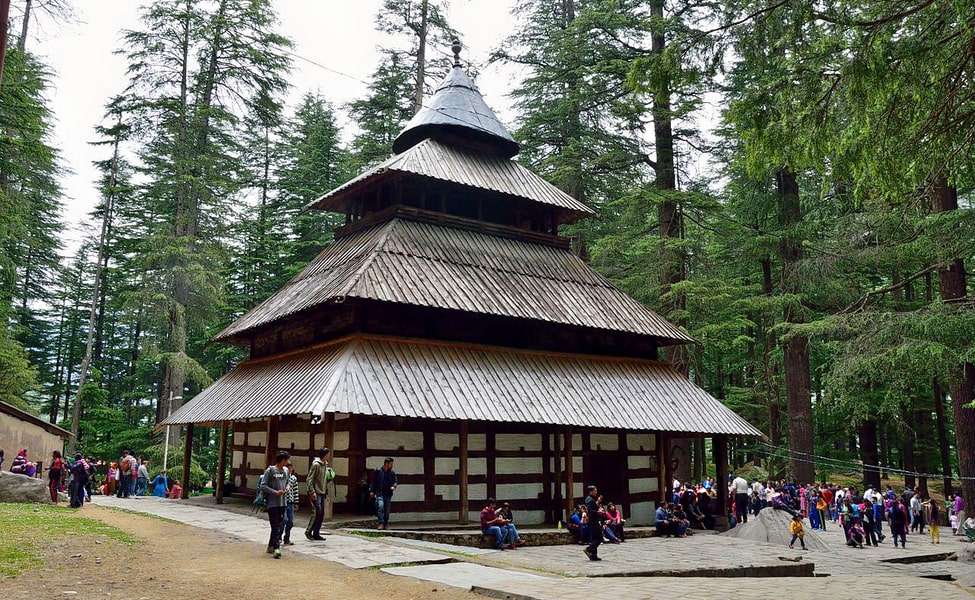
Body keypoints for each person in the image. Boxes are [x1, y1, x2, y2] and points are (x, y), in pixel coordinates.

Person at [261, 451, 291, 559]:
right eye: (287, 460)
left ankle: (270, 545)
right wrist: (275, 492)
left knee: (280, 524)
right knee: (275, 526)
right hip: (272, 503)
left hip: (283, 502)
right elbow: (263, 486)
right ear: (282, 460)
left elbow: (288, 482)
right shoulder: (270, 471)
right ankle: (277, 548)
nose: (288, 462)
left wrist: (287, 488)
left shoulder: (286, 471)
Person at [305, 447, 331, 541]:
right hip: (316, 492)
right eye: (327, 454)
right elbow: (309, 479)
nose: (329, 455)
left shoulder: (325, 465)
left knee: (321, 513)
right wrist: (312, 491)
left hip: (322, 491)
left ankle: (316, 533)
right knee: (317, 512)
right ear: (324, 454)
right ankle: (308, 531)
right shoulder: (316, 465)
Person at [370, 457, 397, 530]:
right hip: (380, 493)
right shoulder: (378, 471)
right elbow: (373, 482)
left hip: (388, 494)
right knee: (381, 506)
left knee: (387, 510)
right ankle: (381, 523)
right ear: (386, 464)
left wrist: (394, 486)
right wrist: (372, 491)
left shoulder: (392, 473)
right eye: (391, 464)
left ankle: (386, 523)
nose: (392, 465)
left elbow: (395, 482)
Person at [583, 485, 605, 561]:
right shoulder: (590, 500)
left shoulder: (589, 499)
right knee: (599, 538)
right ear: (591, 491)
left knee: (594, 538)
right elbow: (591, 511)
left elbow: (593, 507)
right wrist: (598, 512)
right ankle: (589, 549)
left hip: (592, 521)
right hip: (593, 521)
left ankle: (593, 555)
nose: (596, 492)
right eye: (595, 491)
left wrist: (598, 502)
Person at [283, 462, 299, 546]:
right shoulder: (282, 478)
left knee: (290, 521)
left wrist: (296, 502)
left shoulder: (293, 478)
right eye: (288, 468)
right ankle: (278, 537)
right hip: (283, 502)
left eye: (291, 468)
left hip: (290, 502)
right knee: (283, 520)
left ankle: (287, 538)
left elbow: (295, 491)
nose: (289, 470)